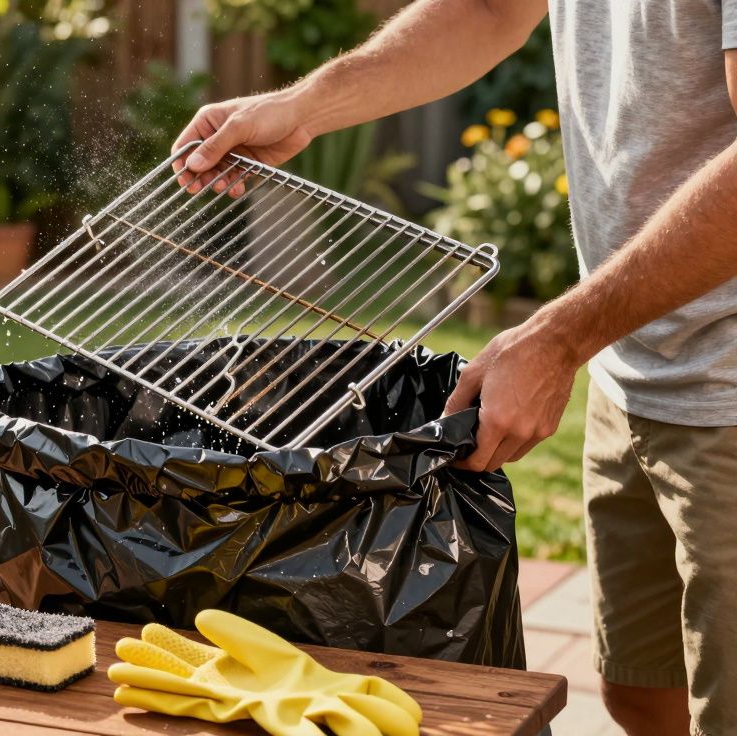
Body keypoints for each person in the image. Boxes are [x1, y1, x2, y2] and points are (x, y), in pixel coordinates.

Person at [175, 1, 737, 734]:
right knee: (641, 692)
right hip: (633, 358)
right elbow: (489, 8)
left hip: (723, 389)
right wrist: (305, 106)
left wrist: (561, 338)